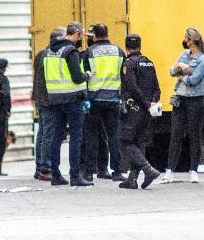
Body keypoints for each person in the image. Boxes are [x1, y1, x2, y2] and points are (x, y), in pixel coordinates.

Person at [42, 21, 91, 187]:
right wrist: (87, 75)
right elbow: (77, 77)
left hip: (55, 100)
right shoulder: (70, 51)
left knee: (56, 138)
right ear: (76, 33)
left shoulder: (49, 52)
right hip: (72, 99)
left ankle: (56, 175)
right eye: (81, 34)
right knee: (76, 138)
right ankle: (75, 175)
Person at [163, 28, 204, 184]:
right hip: (180, 99)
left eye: (186, 38)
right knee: (175, 134)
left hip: (195, 100)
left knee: (194, 135)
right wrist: (182, 70)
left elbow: (194, 80)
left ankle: (194, 170)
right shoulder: (183, 54)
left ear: (191, 40)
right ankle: (169, 171)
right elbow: (171, 71)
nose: (184, 41)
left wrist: (182, 73)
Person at [81, 23, 125, 182]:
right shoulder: (118, 51)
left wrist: (84, 99)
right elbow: (123, 75)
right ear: (107, 33)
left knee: (92, 136)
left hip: (94, 100)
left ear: (94, 36)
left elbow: (84, 77)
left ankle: (88, 172)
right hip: (113, 98)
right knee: (113, 135)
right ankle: (117, 171)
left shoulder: (89, 52)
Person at [118, 34, 163, 189]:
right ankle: (132, 179)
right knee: (139, 142)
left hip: (134, 109)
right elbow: (157, 87)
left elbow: (132, 87)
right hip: (148, 110)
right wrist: (151, 103)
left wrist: (143, 103)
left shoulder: (129, 63)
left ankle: (148, 169)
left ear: (126, 47)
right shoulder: (148, 62)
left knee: (125, 140)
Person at [33, 28, 64, 181]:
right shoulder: (50, 55)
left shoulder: (40, 53)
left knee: (42, 133)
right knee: (48, 135)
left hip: (39, 98)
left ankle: (39, 166)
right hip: (48, 99)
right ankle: (45, 168)